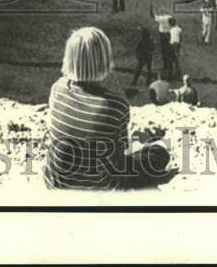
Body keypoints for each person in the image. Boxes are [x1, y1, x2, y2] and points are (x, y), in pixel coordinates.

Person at [44, 27, 170, 189]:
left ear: (69, 58)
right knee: (158, 154)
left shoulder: (57, 88)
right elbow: (119, 160)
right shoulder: (115, 104)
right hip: (99, 188)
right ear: (105, 60)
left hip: (56, 183)